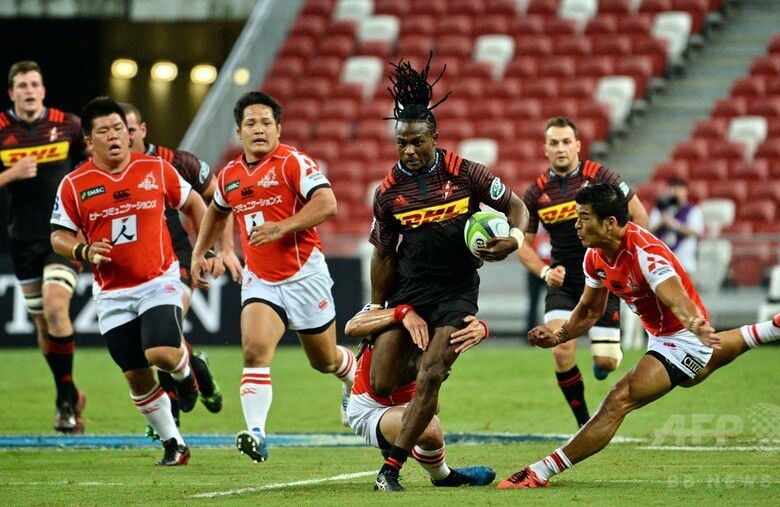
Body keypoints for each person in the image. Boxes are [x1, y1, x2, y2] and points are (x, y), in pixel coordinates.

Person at [498, 182, 780, 488]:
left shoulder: (646, 253)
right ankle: (776, 327)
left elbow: (674, 296)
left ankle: (540, 471)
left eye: (583, 217)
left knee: (619, 400)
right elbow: (590, 311)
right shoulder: (595, 255)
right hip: (662, 334)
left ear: (609, 223)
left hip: (683, 335)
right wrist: (560, 335)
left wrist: (693, 321)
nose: (576, 225)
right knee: (696, 373)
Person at [368, 54, 529, 492]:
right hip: (410, 292)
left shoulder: (466, 173)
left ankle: (390, 470)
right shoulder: (387, 193)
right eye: (402, 143)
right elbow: (383, 255)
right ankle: (424, 375)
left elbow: (517, 206)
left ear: (434, 137)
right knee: (382, 381)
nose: (409, 150)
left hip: (457, 292)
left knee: (433, 372)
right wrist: (379, 309)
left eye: (417, 142)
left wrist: (515, 239)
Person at [189, 90, 357, 464]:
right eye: (251, 123)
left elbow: (327, 203)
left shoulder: (293, 162)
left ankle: (350, 378)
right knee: (254, 351)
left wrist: (282, 227)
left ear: (279, 128)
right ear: (239, 132)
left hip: (305, 276)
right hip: (260, 279)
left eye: (266, 122)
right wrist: (202, 252)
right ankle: (257, 434)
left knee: (325, 361)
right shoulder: (230, 175)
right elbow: (216, 211)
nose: (259, 129)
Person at [50, 97, 208, 465]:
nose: (114, 136)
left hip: (159, 279)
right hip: (111, 293)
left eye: (119, 128)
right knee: (136, 375)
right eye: (104, 131)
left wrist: (204, 251)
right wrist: (83, 250)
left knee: (161, 353)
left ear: (129, 132)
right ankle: (174, 444)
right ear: (89, 141)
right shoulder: (74, 184)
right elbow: (58, 236)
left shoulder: (157, 168)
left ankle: (186, 372)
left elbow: (196, 205)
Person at [516, 117, 650, 429]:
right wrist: (545, 272)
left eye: (566, 142)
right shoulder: (536, 193)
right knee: (560, 349)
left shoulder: (602, 177)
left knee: (607, 362)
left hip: (602, 281)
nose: (560, 148)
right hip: (564, 283)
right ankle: (583, 424)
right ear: (545, 148)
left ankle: (603, 362)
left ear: (578, 145)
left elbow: (639, 216)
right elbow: (522, 245)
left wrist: (623, 260)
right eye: (554, 143)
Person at [120, 102, 239, 438]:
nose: (122, 137)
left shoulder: (177, 162)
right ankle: (197, 368)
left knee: (161, 338)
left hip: (177, 260)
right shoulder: (105, 172)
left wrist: (219, 250)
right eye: (115, 131)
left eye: (129, 130)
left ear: (142, 130)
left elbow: (219, 201)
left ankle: (170, 420)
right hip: (132, 271)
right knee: (151, 344)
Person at [0, 60, 87, 433]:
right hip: (22, 238)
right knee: (43, 325)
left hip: (64, 234)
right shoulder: (1, 129)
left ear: (43, 90)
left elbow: (91, 164)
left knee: (55, 308)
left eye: (35, 84)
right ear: (12, 93)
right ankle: (69, 391)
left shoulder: (68, 124)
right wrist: (10, 174)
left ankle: (64, 403)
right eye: (22, 85)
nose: (29, 91)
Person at [344, 305, 496, 487]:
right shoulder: (389, 303)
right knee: (431, 429)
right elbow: (352, 327)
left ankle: (404, 452)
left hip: (407, 402)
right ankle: (443, 476)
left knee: (433, 404)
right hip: (372, 408)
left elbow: (462, 324)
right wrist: (400, 313)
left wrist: (481, 329)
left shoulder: (440, 306)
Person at [648, 177, 703, 276]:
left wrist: (674, 224)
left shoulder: (693, 210)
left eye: (679, 189)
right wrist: (662, 222)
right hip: (662, 260)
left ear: (685, 191)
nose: (675, 193)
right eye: (672, 189)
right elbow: (649, 230)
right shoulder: (659, 209)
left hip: (684, 259)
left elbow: (695, 231)